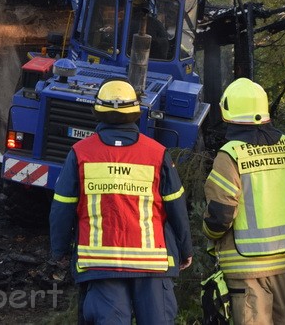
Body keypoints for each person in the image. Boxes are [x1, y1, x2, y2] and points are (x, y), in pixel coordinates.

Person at [50, 79, 193, 324]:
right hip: (151, 265)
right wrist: (185, 250)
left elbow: (62, 207)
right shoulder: (157, 153)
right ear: (136, 112)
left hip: (100, 264)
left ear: (98, 111)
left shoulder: (80, 153)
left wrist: (60, 250)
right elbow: (176, 207)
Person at [202, 77, 285, 325]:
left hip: (245, 266)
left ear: (227, 113)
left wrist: (209, 233)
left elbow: (220, 215)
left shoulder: (230, 154)